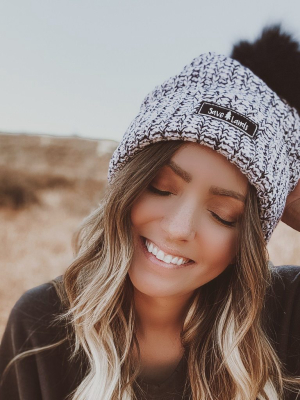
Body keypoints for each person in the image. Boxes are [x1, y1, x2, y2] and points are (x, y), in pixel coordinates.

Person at [1, 25, 300, 400]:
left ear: (249, 239)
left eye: (223, 213)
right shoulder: (41, 326)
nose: (177, 229)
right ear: (127, 184)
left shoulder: (286, 316)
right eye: (160, 187)